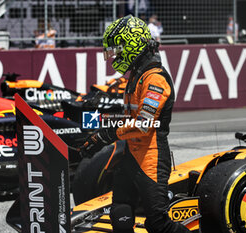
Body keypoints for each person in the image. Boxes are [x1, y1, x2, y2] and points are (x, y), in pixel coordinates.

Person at [79, 15, 191, 233]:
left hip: (152, 159)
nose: (114, 55)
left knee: (158, 223)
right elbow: (129, 118)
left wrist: (107, 135)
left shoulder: (155, 78)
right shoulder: (137, 75)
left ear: (132, 45)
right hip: (132, 156)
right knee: (120, 209)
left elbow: (143, 124)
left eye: (118, 49)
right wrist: (98, 132)